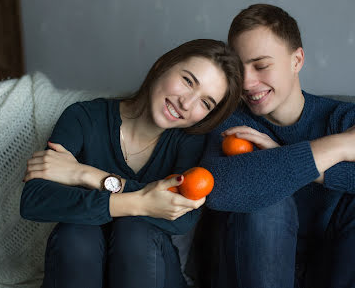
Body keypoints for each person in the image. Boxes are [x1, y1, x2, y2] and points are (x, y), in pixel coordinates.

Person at [199, 4, 355, 288]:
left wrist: (289, 162)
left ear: (296, 60)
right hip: (253, 268)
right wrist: (339, 147)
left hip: (334, 268)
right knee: (265, 204)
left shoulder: (342, 118)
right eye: (238, 68)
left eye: (261, 65)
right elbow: (217, 188)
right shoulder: (231, 119)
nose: (247, 82)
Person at [20, 39, 243, 288]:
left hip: (149, 268)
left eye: (205, 103)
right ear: (161, 65)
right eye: (188, 81)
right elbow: (34, 200)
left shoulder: (190, 142)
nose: (186, 104)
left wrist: (87, 175)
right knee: (76, 234)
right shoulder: (84, 118)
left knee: (135, 233)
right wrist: (140, 202)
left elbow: (182, 219)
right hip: (78, 262)